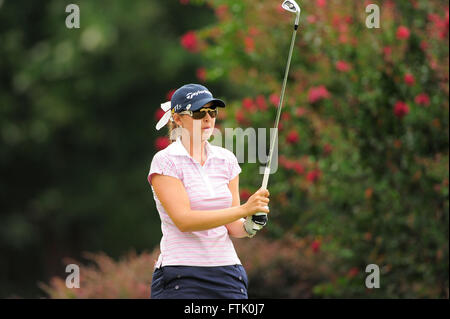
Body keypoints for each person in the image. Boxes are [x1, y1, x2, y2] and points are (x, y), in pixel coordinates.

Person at [147, 83, 270, 299]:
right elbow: (185, 221)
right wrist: (243, 209)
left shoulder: (226, 160)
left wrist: (251, 224)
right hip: (181, 276)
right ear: (177, 119)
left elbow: (233, 227)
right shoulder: (165, 161)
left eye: (212, 111)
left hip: (227, 273)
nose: (207, 119)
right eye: (198, 112)